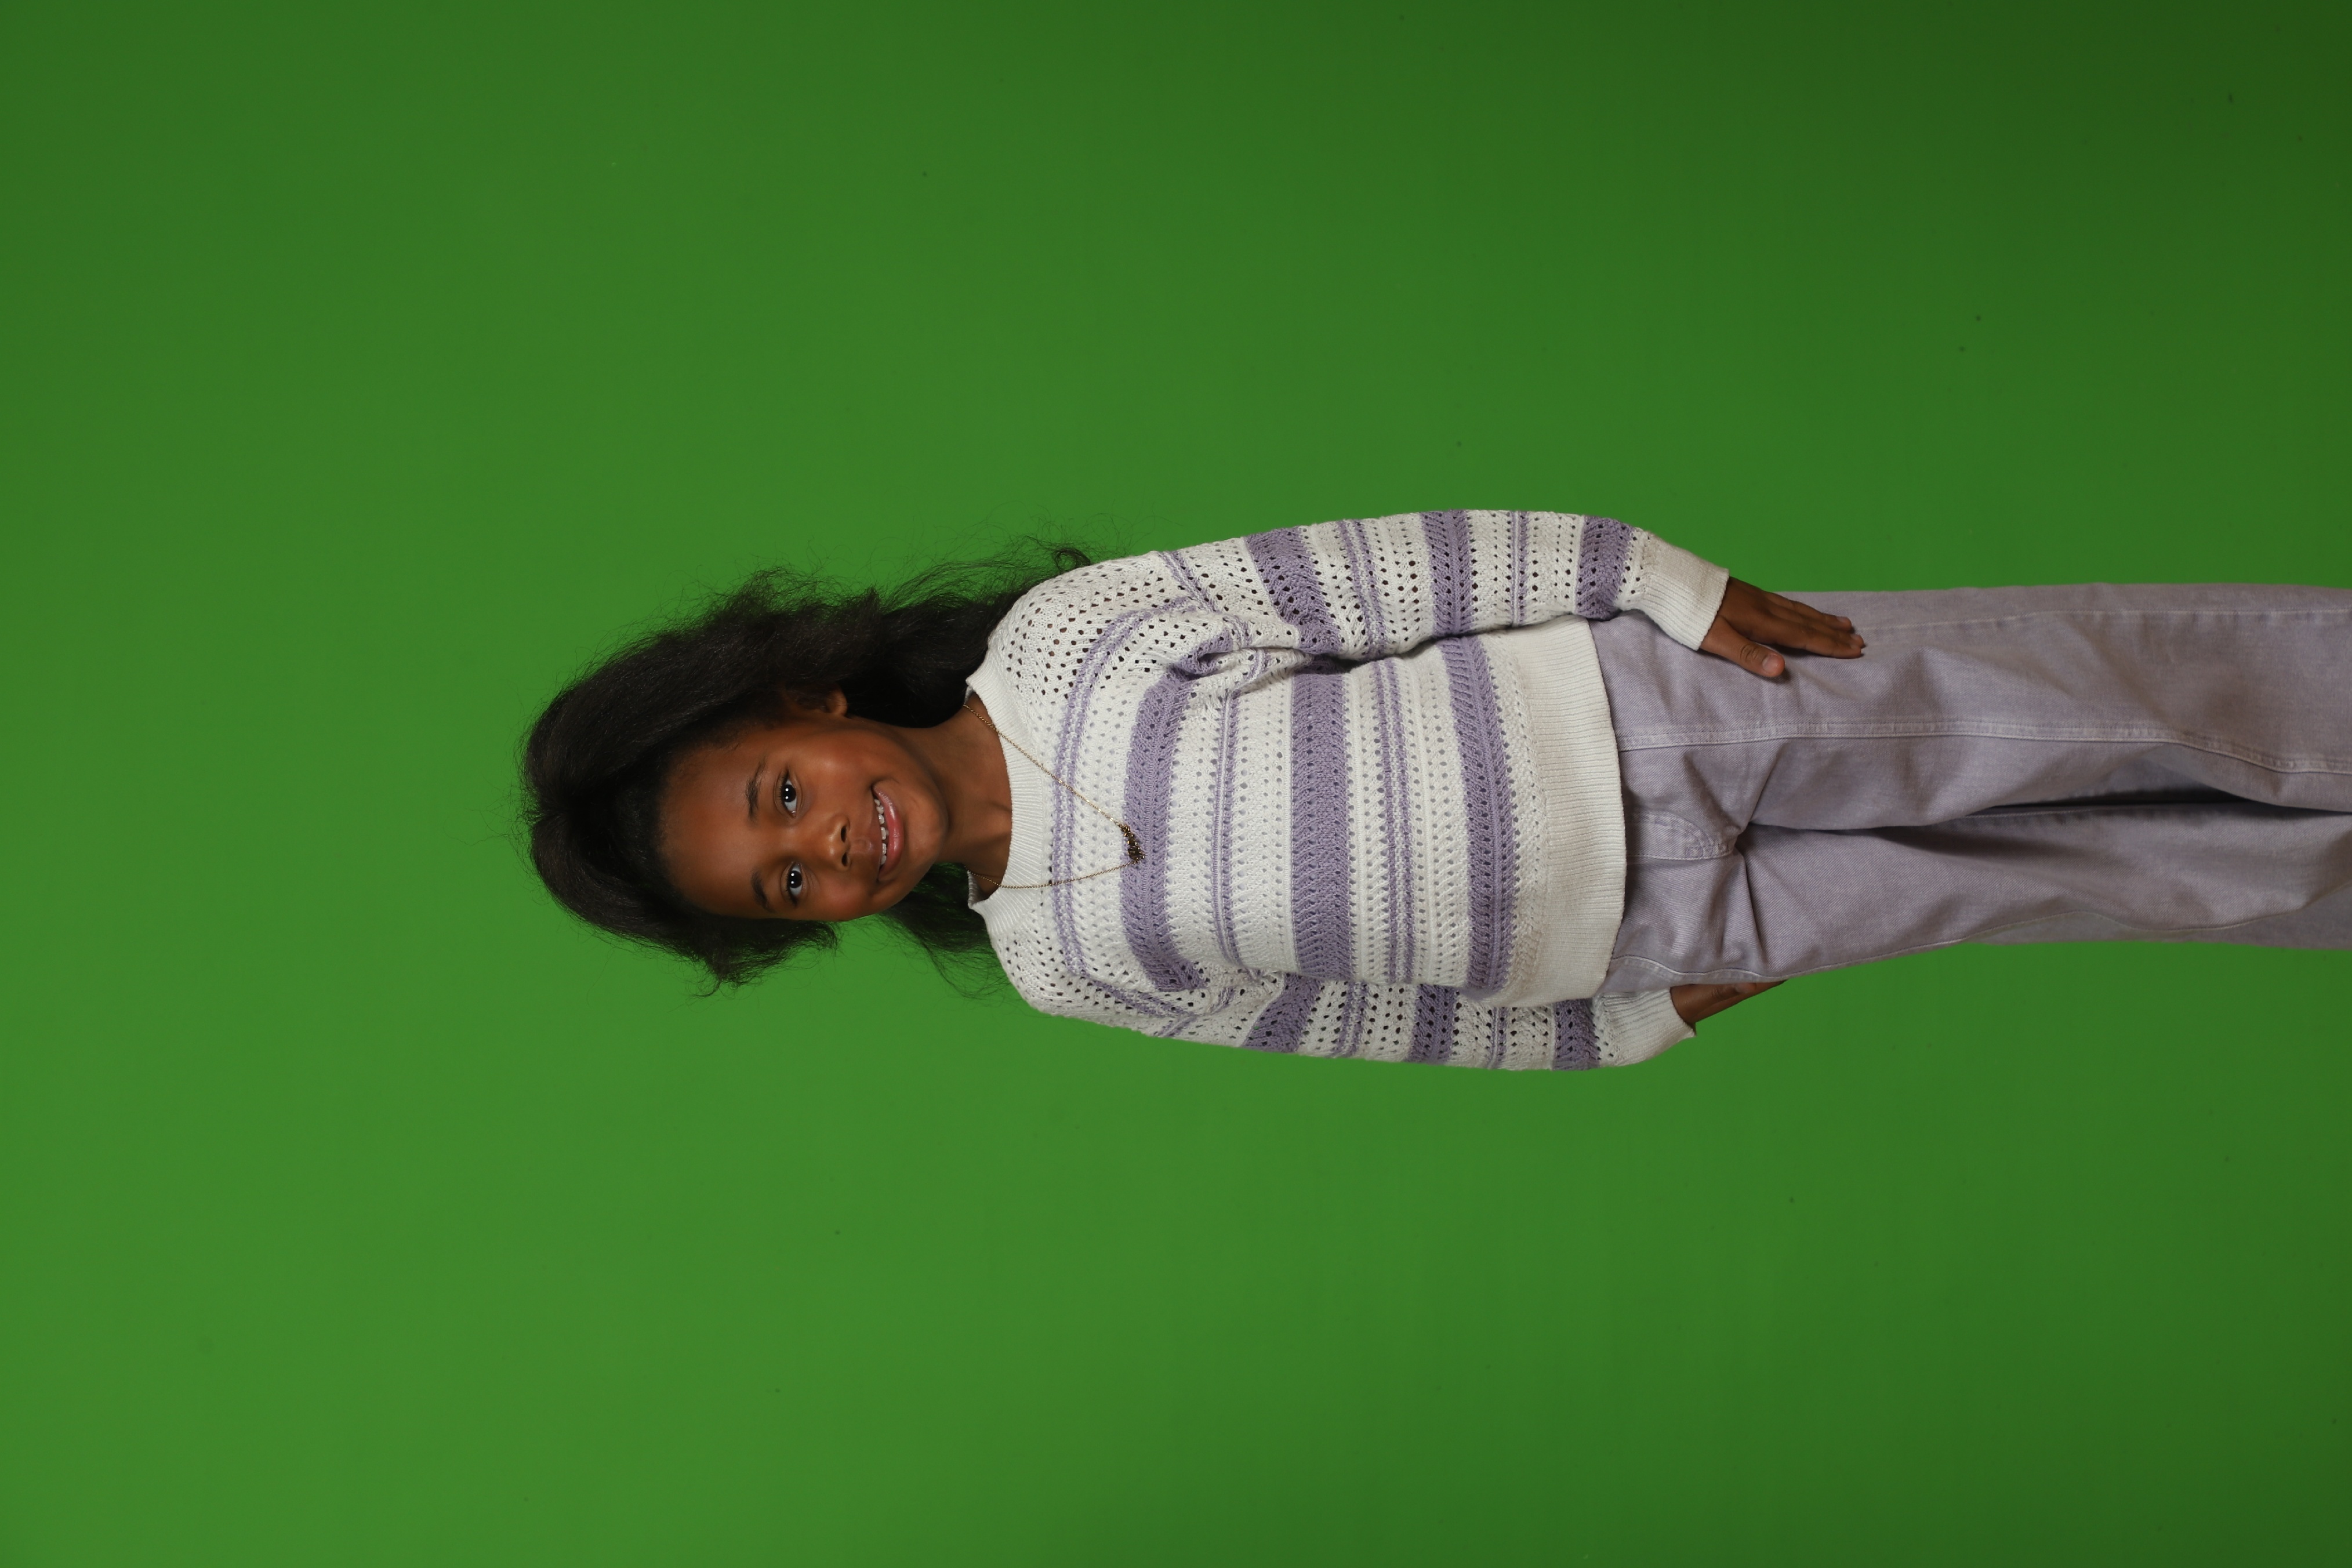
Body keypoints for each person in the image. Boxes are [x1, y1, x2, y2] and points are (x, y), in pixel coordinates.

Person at [522, 511, 2352, 1069]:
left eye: (781, 795)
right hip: (1660, 926)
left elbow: (1380, 576)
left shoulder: (1071, 644)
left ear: (805, 699)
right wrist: (1618, 1029)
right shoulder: (1065, 967)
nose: (830, 847)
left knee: (2088, 713)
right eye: (784, 885)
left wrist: (1654, 583)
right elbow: (1355, 1018)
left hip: (1651, 718)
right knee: (2090, 875)